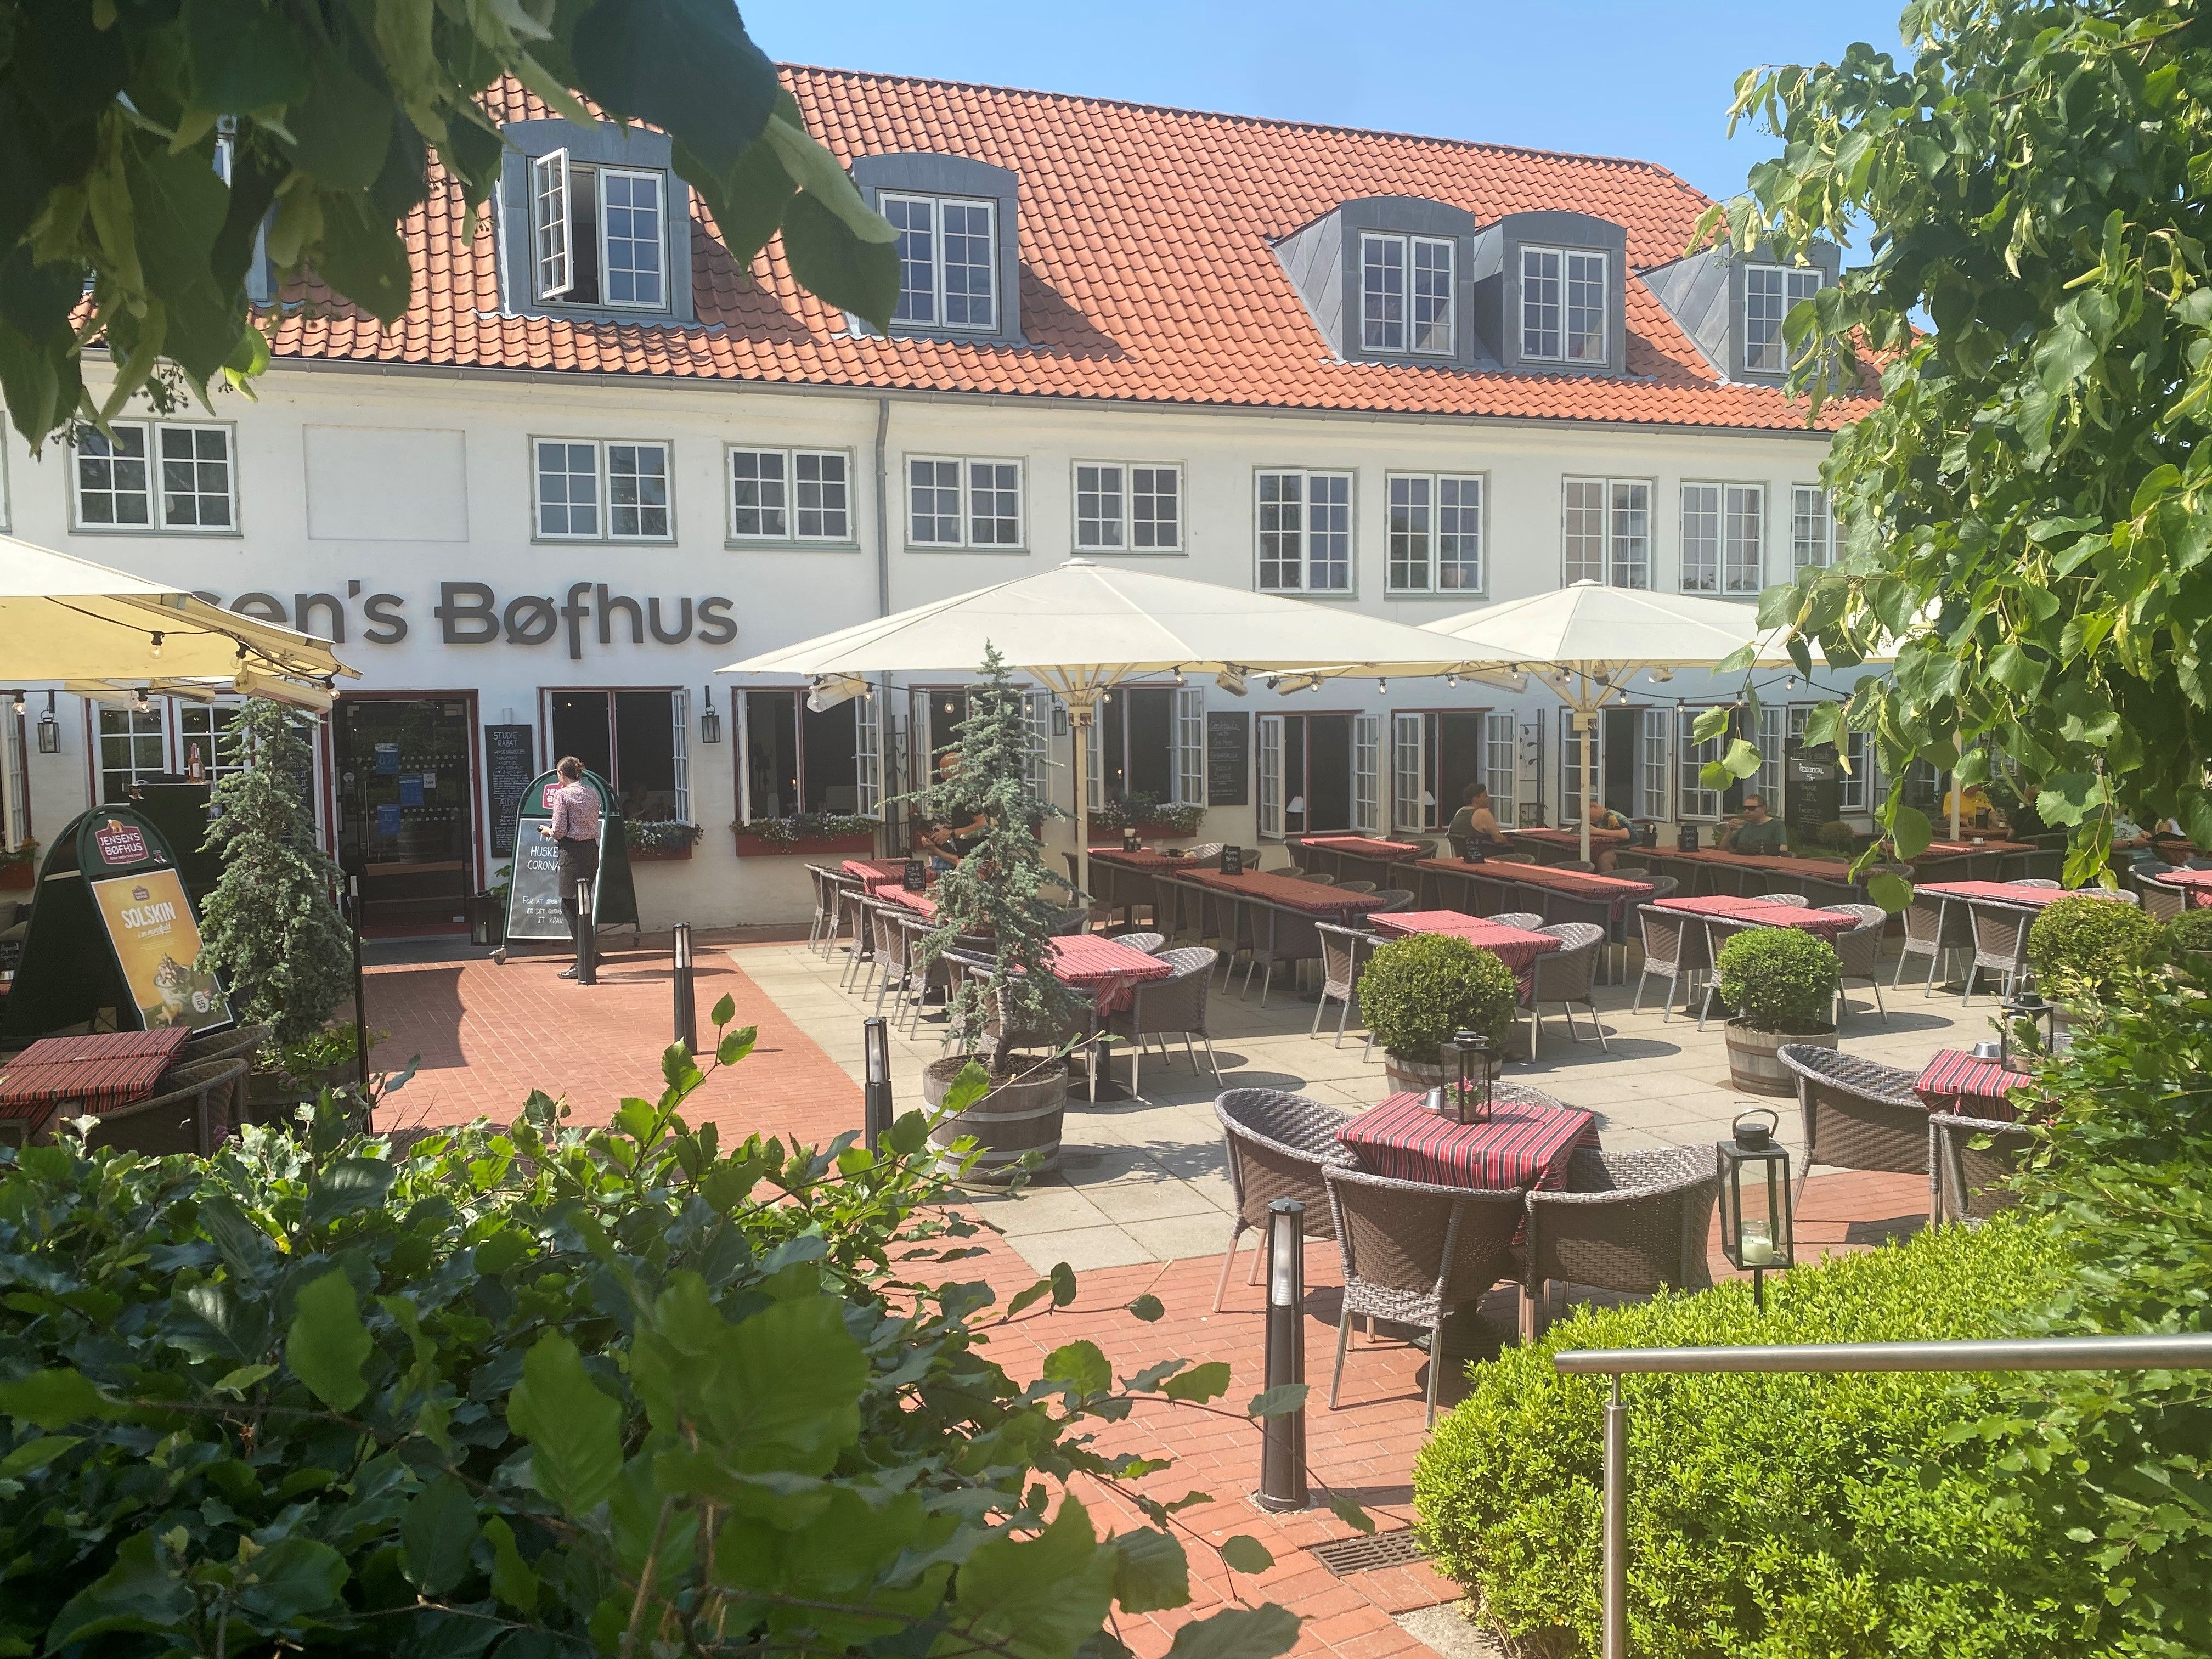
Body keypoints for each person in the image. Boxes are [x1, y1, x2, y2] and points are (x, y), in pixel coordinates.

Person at [543, 756, 600, 980]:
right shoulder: (592, 792)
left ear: (561, 774)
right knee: (584, 906)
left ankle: (583, 959)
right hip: (591, 852)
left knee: (569, 907)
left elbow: (558, 830)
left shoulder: (562, 794)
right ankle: (590, 955)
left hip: (572, 855)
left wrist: (546, 831)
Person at [922, 751, 988, 876]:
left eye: (943, 771)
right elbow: (970, 820)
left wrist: (951, 834)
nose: (942, 777)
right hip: (964, 852)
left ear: (954, 770)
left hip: (975, 855)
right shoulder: (961, 792)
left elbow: (982, 824)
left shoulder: (968, 794)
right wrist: (951, 828)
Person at [1720, 793, 1788, 856]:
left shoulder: (1777, 825)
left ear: (1764, 809)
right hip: (1741, 865)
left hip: (1761, 866)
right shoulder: (1744, 825)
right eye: (1745, 808)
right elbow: (1723, 849)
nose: (1747, 812)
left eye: (1752, 808)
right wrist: (1730, 830)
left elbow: (1783, 849)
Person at [1444, 781, 1499, 853]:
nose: (1488, 798)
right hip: (1484, 858)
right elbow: (1499, 840)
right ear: (1475, 799)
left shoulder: (1459, 812)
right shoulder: (1483, 813)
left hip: (1462, 859)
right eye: (1485, 796)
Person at [1583, 796, 1630, 871]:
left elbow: (1626, 834)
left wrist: (1596, 831)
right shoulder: (1602, 820)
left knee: (1604, 859)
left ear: (1595, 806)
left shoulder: (1611, 816)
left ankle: (1608, 880)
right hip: (1618, 847)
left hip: (1628, 849)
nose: (1590, 818)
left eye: (1590, 815)